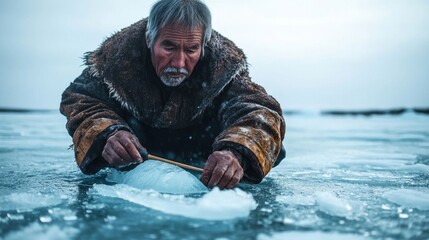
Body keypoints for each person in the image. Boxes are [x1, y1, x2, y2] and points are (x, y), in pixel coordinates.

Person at [60, 0, 286, 189]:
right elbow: (80, 98)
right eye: (168, 47)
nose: (179, 63)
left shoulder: (225, 68)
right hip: (135, 161)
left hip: (204, 159)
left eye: (191, 50)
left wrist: (236, 151)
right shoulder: (114, 62)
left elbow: (260, 111)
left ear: (204, 46)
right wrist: (108, 134)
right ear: (149, 39)